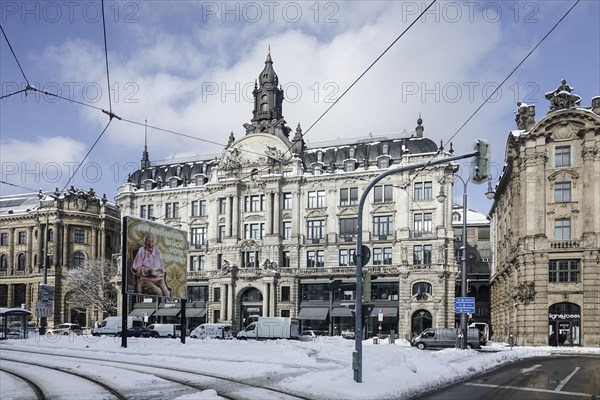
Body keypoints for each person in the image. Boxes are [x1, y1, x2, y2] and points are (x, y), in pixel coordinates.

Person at [132, 232, 170, 297]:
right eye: (148, 241)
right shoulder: (141, 250)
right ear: (145, 241)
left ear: (154, 242)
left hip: (158, 278)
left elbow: (162, 266)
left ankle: (164, 307)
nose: (150, 244)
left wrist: (160, 271)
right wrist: (148, 271)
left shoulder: (158, 251)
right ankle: (155, 307)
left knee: (167, 293)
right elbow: (137, 267)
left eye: (152, 241)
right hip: (145, 279)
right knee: (159, 292)